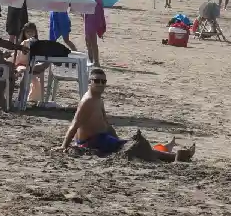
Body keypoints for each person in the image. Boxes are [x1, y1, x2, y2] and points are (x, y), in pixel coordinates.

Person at [63, 67, 195, 161]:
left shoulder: (98, 99)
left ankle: (166, 149)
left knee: (131, 144)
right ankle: (175, 156)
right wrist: (63, 146)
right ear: (90, 82)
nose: (100, 84)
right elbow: (74, 125)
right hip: (93, 142)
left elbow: (105, 122)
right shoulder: (88, 101)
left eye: (103, 82)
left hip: (102, 137)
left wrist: (115, 137)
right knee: (138, 147)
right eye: (97, 81)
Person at [83, 0, 106, 68]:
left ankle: (96, 61)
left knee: (92, 42)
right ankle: (91, 60)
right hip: (88, 21)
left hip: (92, 22)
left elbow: (97, 9)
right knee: (88, 42)